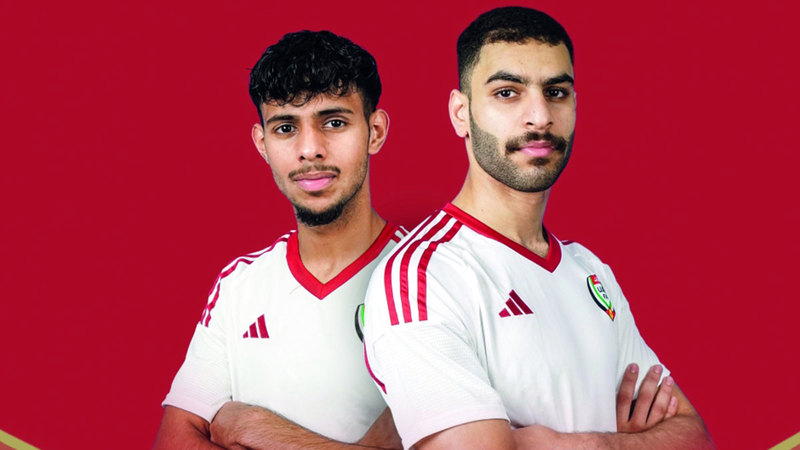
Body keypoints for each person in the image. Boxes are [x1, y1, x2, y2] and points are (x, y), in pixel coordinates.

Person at [362, 7, 713, 449]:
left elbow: (694, 436)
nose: (540, 116)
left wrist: (580, 444)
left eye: (556, 92)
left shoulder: (590, 271)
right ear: (460, 113)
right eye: (508, 93)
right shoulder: (422, 278)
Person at [154, 30, 404, 449]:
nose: (310, 149)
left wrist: (254, 426)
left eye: (334, 122)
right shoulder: (238, 285)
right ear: (262, 143)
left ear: (375, 131)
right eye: (286, 127)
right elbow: (174, 440)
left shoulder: (434, 277)